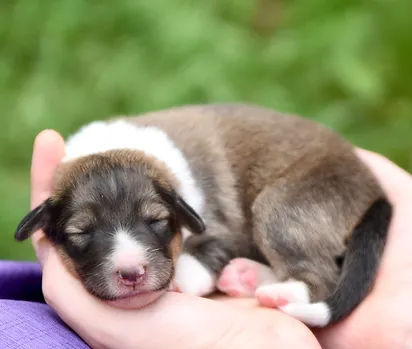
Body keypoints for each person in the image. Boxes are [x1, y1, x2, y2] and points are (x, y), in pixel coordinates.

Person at [2, 129, 412, 349]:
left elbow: (215, 231)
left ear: (181, 210)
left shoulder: (184, 185)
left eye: (156, 223)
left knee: (276, 216)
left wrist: (192, 270)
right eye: (82, 233)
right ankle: (277, 278)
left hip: (318, 186)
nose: (128, 261)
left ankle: (312, 283)